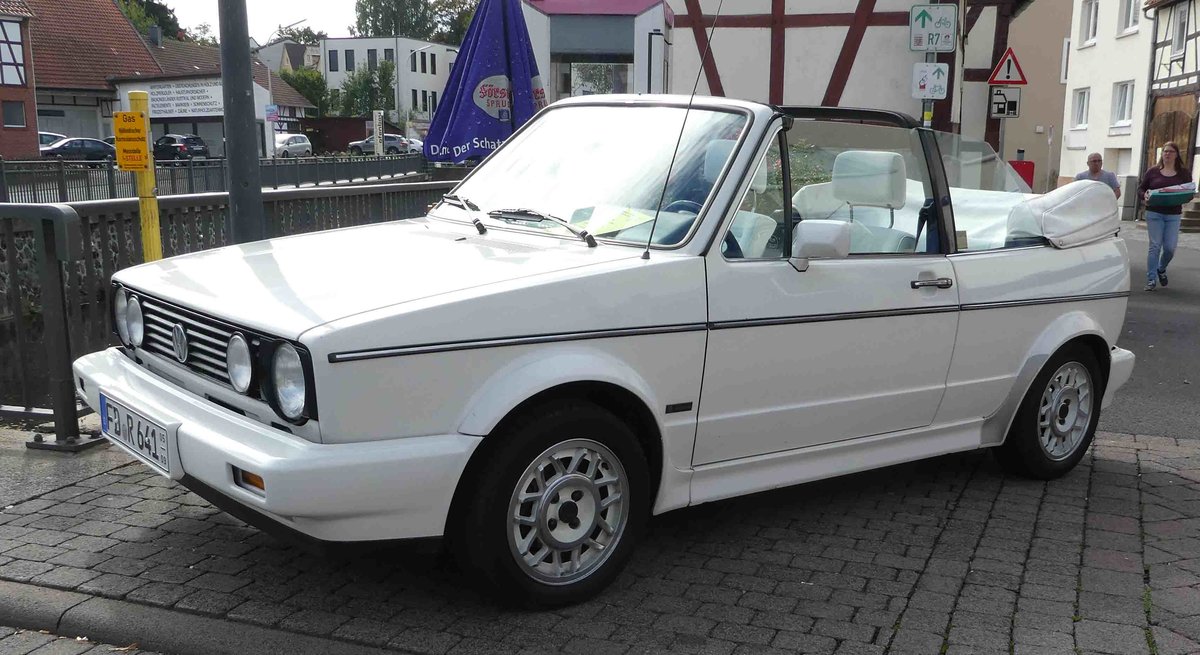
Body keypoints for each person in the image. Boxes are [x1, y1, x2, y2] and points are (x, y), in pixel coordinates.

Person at [1138, 141, 1190, 291]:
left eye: (1171, 152)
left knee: (1169, 248)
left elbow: (1189, 192)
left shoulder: (1183, 173)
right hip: (1154, 212)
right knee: (1155, 246)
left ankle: (1161, 268)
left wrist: (1185, 197)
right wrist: (1144, 195)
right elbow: (1141, 189)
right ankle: (1151, 279)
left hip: (1173, 214)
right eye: (1165, 151)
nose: (1167, 154)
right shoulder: (1153, 172)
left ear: (1176, 155)